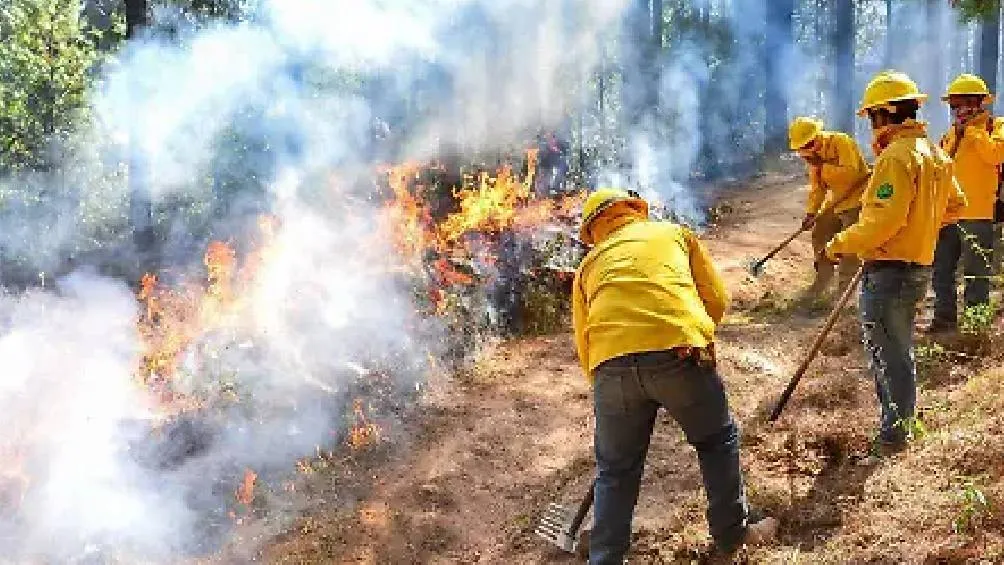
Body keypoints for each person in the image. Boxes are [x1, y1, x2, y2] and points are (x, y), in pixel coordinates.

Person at [571, 188, 777, 564]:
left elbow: (584, 339)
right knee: (716, 440)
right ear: (634, 211)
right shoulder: (672, 234)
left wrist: (612, 386)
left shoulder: (589, 265)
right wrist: (696, 336)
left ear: (593, 230)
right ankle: (733, 534)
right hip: (679, 353)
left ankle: (604, 558)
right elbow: (716, 298)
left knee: (616, 471)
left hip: (609, 367)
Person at [824, 71, 966, 459]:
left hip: (889, 272)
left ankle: (894, 438)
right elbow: (956, 204)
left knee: (889, 356)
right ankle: (901, 426)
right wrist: (921, 225)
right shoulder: (935, 153)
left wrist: (840, 243)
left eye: (872, 115)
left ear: (885, 114)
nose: (871, 124)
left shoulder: (897, 156)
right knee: (899, 352)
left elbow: (880, 223)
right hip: (916, 268)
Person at [930, 73, 1004, 332]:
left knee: (976, 275)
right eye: (954, 105)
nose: (958, 110)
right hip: (947, 215)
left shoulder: (996, 127)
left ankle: (975, 328)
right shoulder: (949, 135)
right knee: (941, 273)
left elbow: (996, 156)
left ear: (979, 103)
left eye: (963, 104)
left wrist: (971, 131)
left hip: (979, 214)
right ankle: (943, 321)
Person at [788, 117, 871, 299]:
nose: (806, 151)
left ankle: (845, 292)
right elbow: (818, 188)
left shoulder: (841, 142)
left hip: (857, 199)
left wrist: (823, 167)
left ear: (817, 137)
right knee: (820, 233)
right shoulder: (813, 158)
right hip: (836, 202)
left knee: (850, 245)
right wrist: (811, 212)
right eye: (803, 148)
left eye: (809, 145)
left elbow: (851, 175)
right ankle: (822, 280)